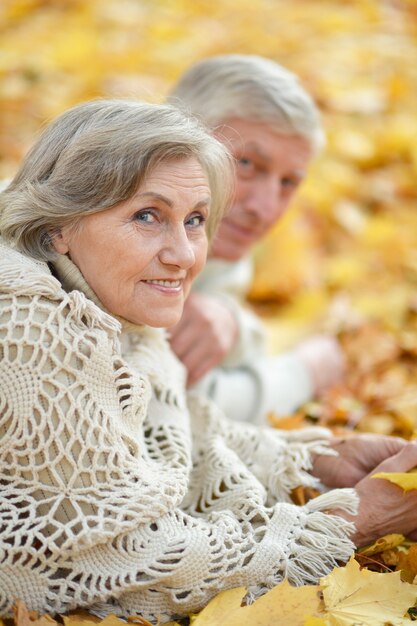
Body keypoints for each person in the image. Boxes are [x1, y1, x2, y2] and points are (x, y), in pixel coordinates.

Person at [1, 99, 417, 624]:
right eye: (147, 216)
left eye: (194, 219)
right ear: (59, 225)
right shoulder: (29, 323)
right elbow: (126, 561)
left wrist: (318, 463)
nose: (183, 254)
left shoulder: (107, 300)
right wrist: (356, 522)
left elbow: (170, 434)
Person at [168, 54, 345, 423]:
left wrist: (231, 322)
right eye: (247, 164)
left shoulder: (215, 235)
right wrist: (307, 371)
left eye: (288, 182)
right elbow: (185, 413)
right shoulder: (116, 236)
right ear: (175, 137)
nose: (265, 209)